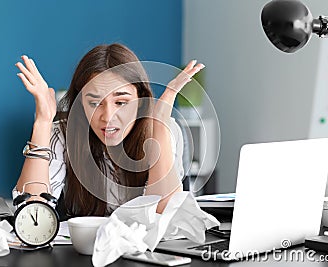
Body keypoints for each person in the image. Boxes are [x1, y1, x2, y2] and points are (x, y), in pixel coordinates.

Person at [13, 43, 204, 219]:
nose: (108, 116)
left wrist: (160, 123)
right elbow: (31, 217)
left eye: (121, 103)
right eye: (95, 103)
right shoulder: (61, 134)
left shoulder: (165, 129)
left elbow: (166, 217)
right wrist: (43, 121)